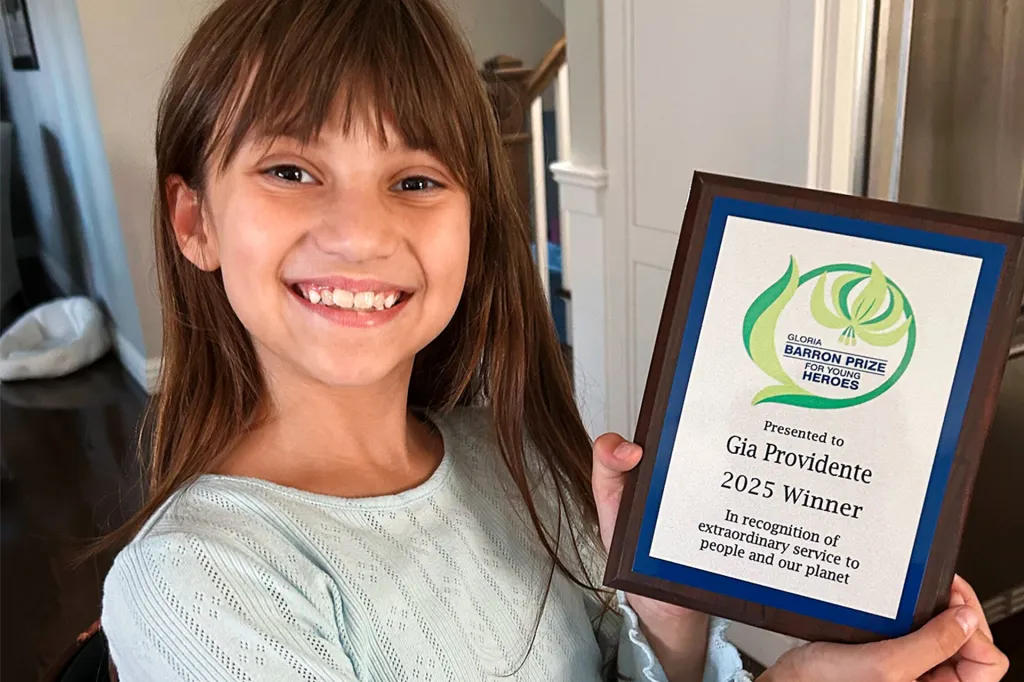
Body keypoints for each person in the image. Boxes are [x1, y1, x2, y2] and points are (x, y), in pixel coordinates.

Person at [99, 0, 1009, 680]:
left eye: (415, 180)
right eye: (291, 170)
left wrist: (669, 619)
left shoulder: (514, 457)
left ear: (473, 224)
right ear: (195, 222)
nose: (361, 232)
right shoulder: (195, 589)